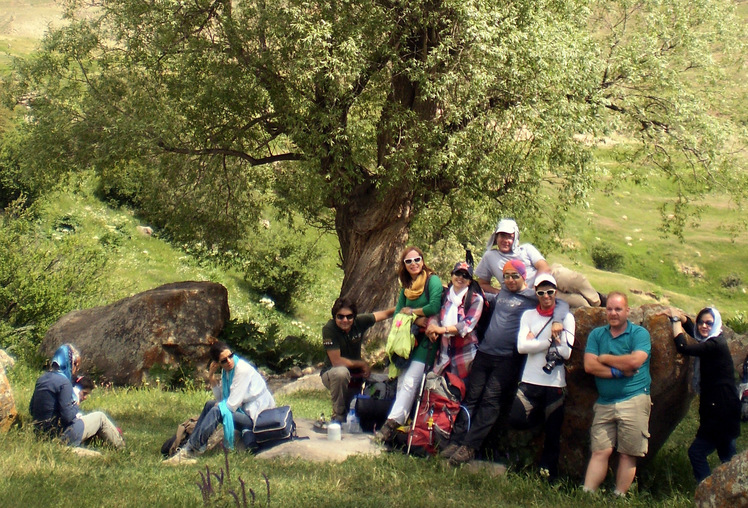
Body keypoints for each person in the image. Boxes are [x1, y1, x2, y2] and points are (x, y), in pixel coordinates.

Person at [442, 260, 570, 466]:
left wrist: (557, 320)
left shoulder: (531, 296)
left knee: (490, 401)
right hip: (485, 352)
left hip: (507, 358)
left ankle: (470, 446)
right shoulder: (501, 294)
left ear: (523, 277)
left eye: (514, 276)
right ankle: (456, 441)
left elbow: (561, 303)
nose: (510, 280)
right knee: (471, 397)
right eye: (506, 276)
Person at [583, 292, 651, 497]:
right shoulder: (597, 335)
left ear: (627, 311)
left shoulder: (639, 334)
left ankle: (618, 496)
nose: (613, 313)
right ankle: (586, 494)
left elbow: (635, 361)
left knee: (627, 453)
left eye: (618, 309)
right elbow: (589, 366)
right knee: (600, 450)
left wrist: (604, 358)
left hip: (634, 399)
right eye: (610, 309)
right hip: (604, 402)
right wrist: (618, 371)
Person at [509, 273, 575, 482]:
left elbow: (566, 353)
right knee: (516, 419)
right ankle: (520, 461)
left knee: (553, 433)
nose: (546, 296)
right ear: (536, 293)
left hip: (554, 383)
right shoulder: (528, 315)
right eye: (541, 292)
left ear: (556, 292)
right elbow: (521, 347)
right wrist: (549, 342)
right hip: (530, 381)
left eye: (550, 292)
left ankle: (547, 474)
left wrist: (534, 343)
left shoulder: (567, 317)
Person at [164, 341, 275, 464]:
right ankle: (190, 447)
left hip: (255, 416)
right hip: (243, 410)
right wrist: (211, 376)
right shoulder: (226, 372)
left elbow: (232, 405)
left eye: (230, 356)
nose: (229, 361)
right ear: (218, 363)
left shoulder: (241, 370)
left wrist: (219, 405)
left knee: (217, 410)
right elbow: (221, 399)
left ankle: (191, 450)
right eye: (224, 360)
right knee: (210, 405)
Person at [375, 246, 443, 442]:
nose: (413, 264)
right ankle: (400, 425)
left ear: (423, 261)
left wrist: (412, 313)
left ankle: (391, 425)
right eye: (409, 261)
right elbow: (397, 314)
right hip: (407, 341)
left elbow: (434, 306)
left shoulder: (433, 280)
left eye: (417, 259)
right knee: (402, 381)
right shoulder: (407, 287)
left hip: (426, 341)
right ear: (403, 265)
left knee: (411, 381)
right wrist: (415, 319)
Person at [665, 307, 740, 483]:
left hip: (721, 411)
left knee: (697, 453)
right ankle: (733, 494)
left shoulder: (715, 345)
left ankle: (707, 491)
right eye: (701, 322)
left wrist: (675, 322)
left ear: (717, 324)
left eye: (709, 323)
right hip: (724, 408)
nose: (704, 326)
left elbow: (683, 347)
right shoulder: (712, 340)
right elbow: (695, 332)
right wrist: (684, 319)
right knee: (728, 457)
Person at [475, 218, 601, 308]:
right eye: (502, 236)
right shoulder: (490, 256)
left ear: (515, 238)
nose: (505, 240)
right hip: (531, 294)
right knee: (577, 302)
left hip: (548, 276)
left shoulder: (526, 248)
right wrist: (499, 292)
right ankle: (594, 312)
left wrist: (536, 286)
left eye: (509, 236)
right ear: (496, 237)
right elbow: (483, 283)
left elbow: (544, 267)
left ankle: (598, 302)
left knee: (575, 280)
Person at [29, 344, 125, 450]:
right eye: (76, 366)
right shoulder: (64, 382)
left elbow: (31, 409)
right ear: (70, 363)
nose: (75, 370)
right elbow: (68, 417)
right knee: (100, 417)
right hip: (61, 436)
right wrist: (75, 405)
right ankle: (121, 447)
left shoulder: (42, 379)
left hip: (41, 436)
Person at [320, 296, 394, 424]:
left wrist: (404, 308)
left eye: (349, 317)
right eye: (340, 316)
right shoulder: (329, 329)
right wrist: (362, 364)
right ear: (334, 317)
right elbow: (336, 361)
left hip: (355, 375)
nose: (345, 320)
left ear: (354, 317)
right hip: (333, 373)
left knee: (353, 410)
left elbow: (384, 314)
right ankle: (337, 415)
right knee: (341, 373)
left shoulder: (360, 322)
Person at [425, 261, 484, 382]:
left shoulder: (476, 299)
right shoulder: (445, 295)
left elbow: (467, 325)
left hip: (465, 357)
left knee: (460, 393)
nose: (460, 277)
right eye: (458, 273)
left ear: (470, 281)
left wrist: (442, 330)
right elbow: (436, 315)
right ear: (452, 275)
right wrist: (432, 327)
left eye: (465, 275)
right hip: (444, 354)